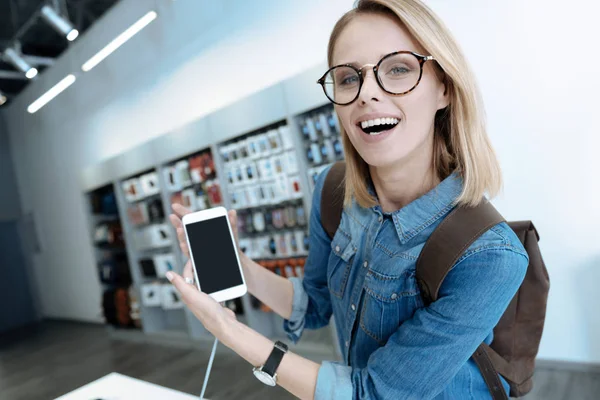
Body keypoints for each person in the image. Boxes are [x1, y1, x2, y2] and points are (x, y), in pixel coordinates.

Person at [167, 0, 528, 398]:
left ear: (444, 86)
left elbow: (373, 393)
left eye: (398, 69)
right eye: (348, 78)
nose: (366, 94)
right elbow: (316, 303)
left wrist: (227, 330)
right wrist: (236, 263)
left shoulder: (489, 255)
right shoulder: (334, 190)